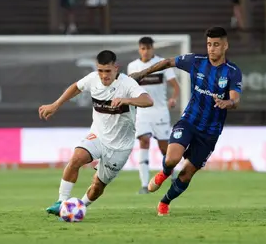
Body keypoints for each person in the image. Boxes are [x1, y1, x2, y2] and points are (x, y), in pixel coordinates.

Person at [130, 27, 242, 216]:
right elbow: (167, 62)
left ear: (225, 46)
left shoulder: (232, 72)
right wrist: (142, 74)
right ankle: (164, 173)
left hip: (210, 131)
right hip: (189, 121)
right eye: (209, 44)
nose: (211, 49)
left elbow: (236, 99)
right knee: (172, 158)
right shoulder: (196, 61)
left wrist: (227, 103)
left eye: (216, 45)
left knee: (187, 173)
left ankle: (165, 202)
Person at [41, 50, 153, 216]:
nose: (103, 75)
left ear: (116, 68)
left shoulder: (127, 84)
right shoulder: (93, 79)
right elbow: (75, 87)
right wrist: (55, 105)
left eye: (107, 71)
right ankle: (62, 202)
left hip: (120, 147)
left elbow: (148, 101)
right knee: (76, 158)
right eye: (100, 70)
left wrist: (127, 100)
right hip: (98, 136)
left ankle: (81, 205)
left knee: (97, 186)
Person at [127, 37, 180, 194]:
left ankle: (172, 176)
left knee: (164, 148)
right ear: (139, 49)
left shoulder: (162, 64)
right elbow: (130, 88)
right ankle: (144, 184)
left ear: (153, 49)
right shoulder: (133, 66)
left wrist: (173, 98)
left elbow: (176, 86)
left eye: (148, 48)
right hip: (142, 111)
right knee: (143, 142)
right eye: (143, 48)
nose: (146, 51)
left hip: (160, 111)